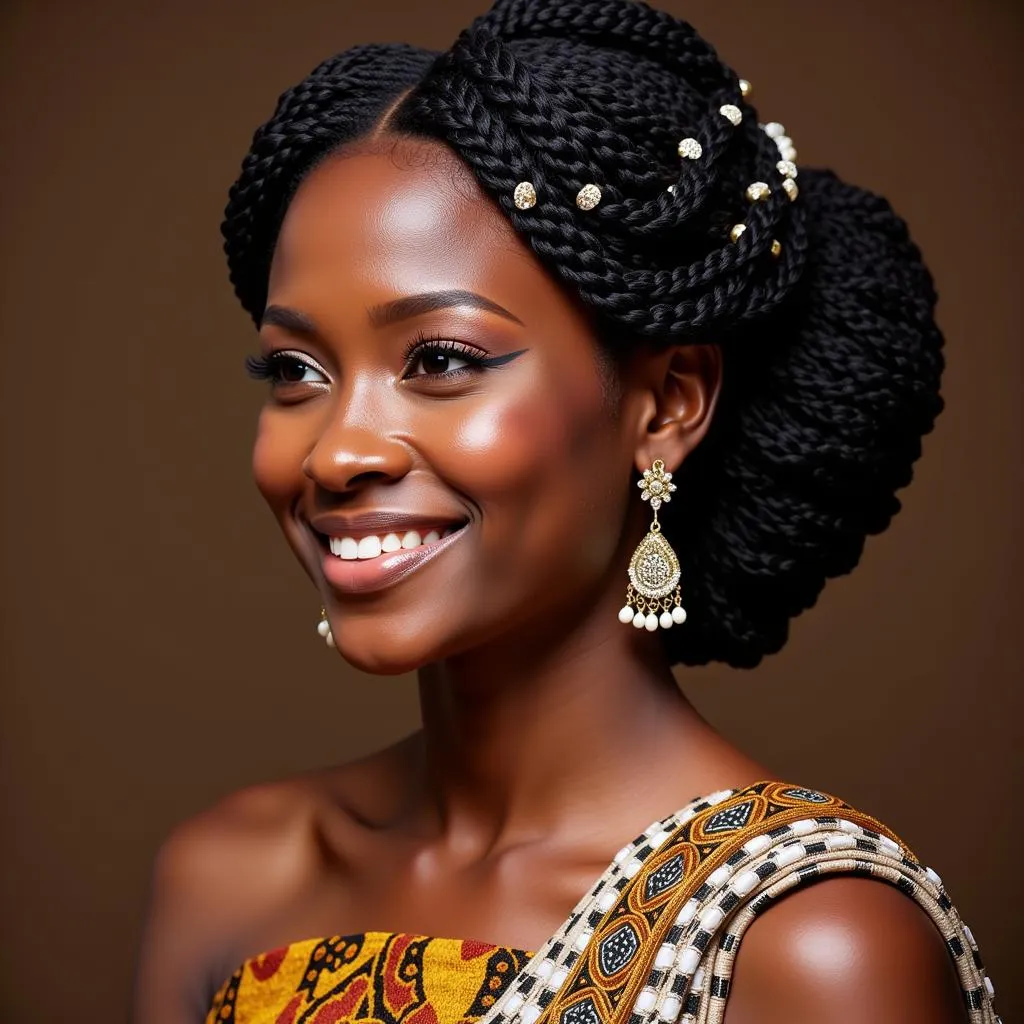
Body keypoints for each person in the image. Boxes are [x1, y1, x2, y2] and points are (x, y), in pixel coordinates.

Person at [132, 2, 1001, 1022]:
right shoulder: (229, 881)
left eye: (441, 360)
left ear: (669, 401)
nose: (337, 450)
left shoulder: (807, 945)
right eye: (295, 369)